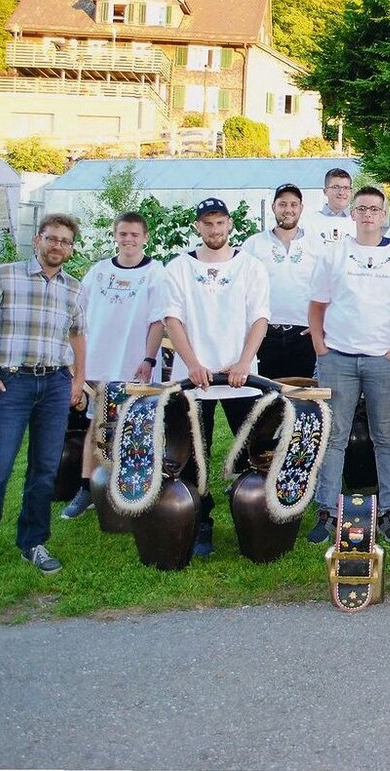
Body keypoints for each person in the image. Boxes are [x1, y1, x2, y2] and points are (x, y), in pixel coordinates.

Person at [0, 213, 87, 578]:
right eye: (52, 238)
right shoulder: (3, 275)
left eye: (65, 241)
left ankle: (33, 542)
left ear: (71, 248)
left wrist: (79, 380)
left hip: (55, 384)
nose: (58, 245)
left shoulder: (73, 288)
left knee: (45, 469)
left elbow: (78, 335)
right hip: (10, 383)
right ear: (37, 240)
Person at [307, 185, 390, 545]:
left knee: (387, 437)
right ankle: (327, 511)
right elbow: (317, 305)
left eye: (375, 209)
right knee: (334, 436)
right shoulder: (335, 254)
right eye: (362, 208)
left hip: (383, 360)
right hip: (338, 356)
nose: (369, 214)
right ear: (352, 213)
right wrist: (321, 348)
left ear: (385, 215)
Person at [160, 197, 271, 556]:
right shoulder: (178, 268)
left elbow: (259, 319)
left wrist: (243, 362)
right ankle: (200, 521)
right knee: (193, 457)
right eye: (207, 223)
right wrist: (192, 364)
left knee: (255, 454)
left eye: (220, 222)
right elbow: (172, 320)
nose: (214, 229)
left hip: (241, 378)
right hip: (195, 379)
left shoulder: (250, 267)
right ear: (198, 227)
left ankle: (253, 519)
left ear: (229, 225)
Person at [62, 211, 165, 520]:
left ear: (145, 237)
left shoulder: (156, 273)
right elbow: (76, 315)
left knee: (139, 428)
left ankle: (137, 492)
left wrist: (148, 358)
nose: (129, 239)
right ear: (115, 236)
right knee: (96, 428)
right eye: (123, 233)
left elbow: (158, 320)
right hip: (98, 364)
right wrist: (76, 362)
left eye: (135, 234)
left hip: (136, 365)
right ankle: (86, 490)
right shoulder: (98, 272)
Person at [242, 184, 324, 380]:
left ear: (301, 208)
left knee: (299, 397)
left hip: (304, 334)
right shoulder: (254, 244)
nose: (288, 209)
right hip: (265, 333)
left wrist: (320, 324)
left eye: (294, 204)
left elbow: (330, 287)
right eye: (283, 204)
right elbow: (240, 287)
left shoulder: (317, 245)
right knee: (266, 399)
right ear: (273, 207)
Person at [310, 167, 357, 248]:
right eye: (335, 187)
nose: (341, 192)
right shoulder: (309, 222)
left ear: (351, 192)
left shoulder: (359, 222)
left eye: (346, 188)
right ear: (325, 191)